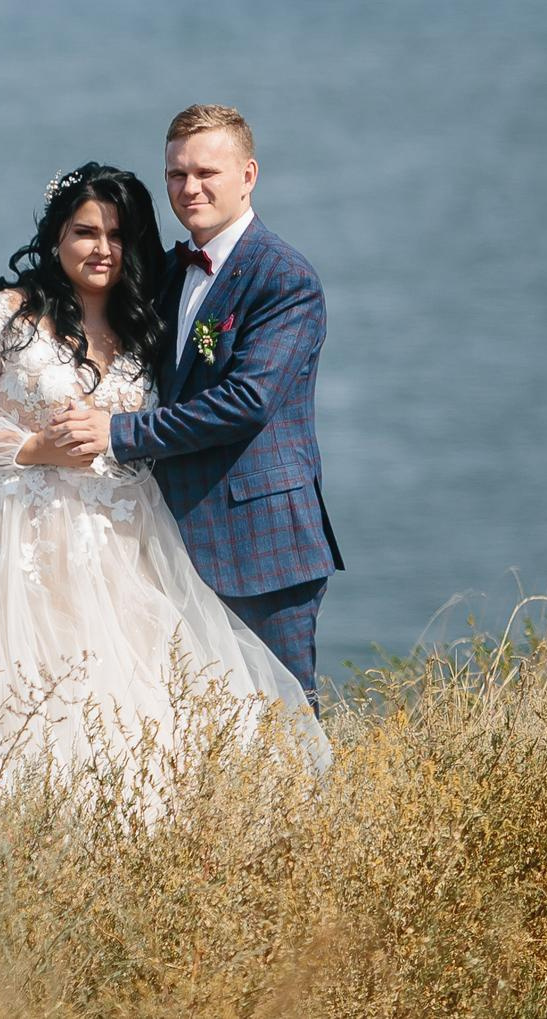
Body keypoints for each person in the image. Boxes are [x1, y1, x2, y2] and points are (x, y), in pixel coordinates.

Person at [0, 160, 324, 817]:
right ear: (56, 236)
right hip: (18, 548)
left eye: (118, 234)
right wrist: (31, 447)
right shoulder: (4, 315)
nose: (102, 248)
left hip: (122, 543)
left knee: (132, 709)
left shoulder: (147, 325)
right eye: (85, 231)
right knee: (17, 709)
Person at [41, 105, 343, 699]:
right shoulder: (170, 274)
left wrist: (116, 432)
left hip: (260, 547)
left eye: (208, 172)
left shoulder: (284, 278)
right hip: (166, 544)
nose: (190, 187)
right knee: (190, 724)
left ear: (248, 175)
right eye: (177, 174)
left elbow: (245, 402)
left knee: (282, 723)